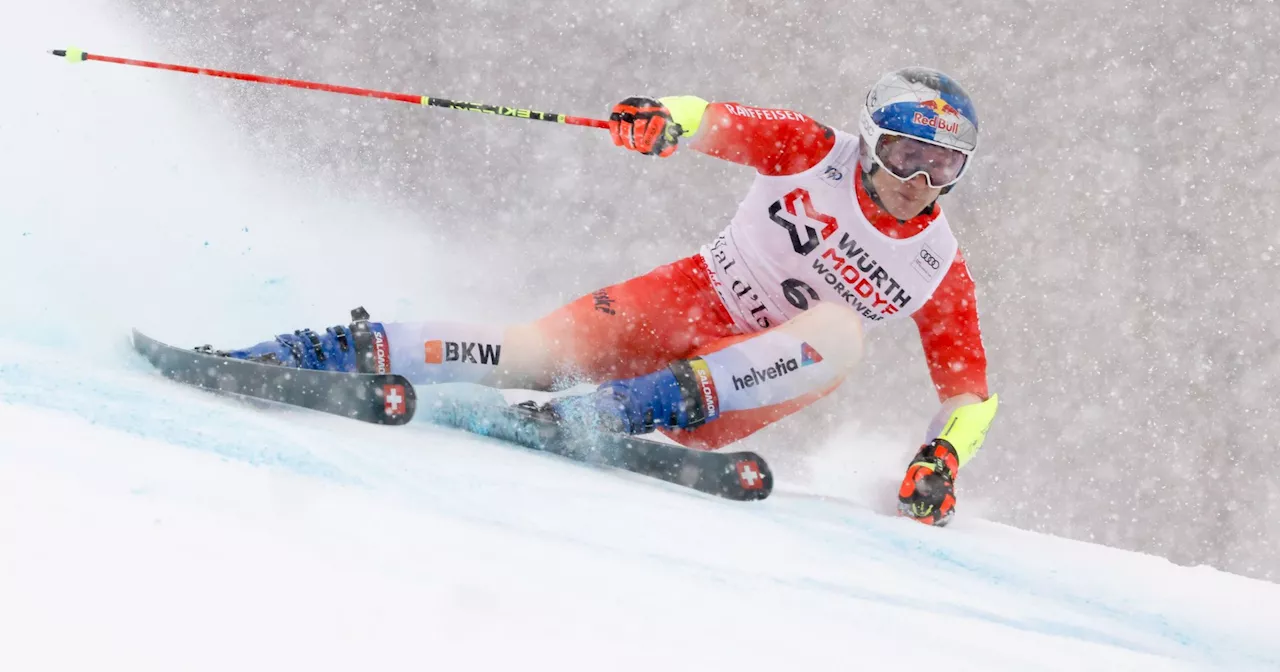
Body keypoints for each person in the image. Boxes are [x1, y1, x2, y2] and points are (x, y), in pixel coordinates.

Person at [214, 67, 998, 527]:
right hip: (690, 298)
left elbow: (970, 393)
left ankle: (624, 410)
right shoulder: (810, 151)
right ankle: (326, 350)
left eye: (942, 167)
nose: (918, 182)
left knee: (841, 334)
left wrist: (943, 457)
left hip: (741, 386)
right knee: (531, 353)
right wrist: (664, 121)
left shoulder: (936, 263)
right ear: (869, 142)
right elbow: (714, 120)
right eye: (904, 155)